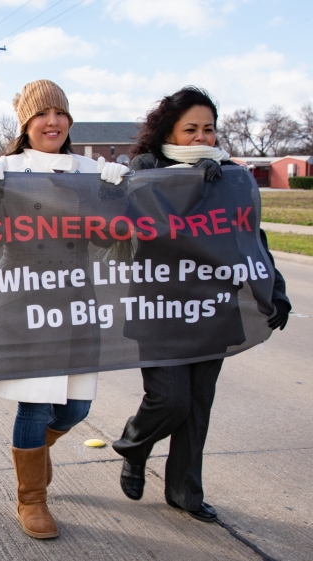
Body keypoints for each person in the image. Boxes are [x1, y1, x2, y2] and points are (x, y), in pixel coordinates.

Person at [111, 86, 292, 522]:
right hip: (161, 310)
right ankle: (134, 448)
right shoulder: (145, 169)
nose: (201, 138)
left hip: (213, 309)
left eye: (208, 129)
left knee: (197, 404)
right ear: (168, 130)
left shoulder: (230, 174)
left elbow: (252, 239)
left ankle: (185, 491)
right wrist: (186, 187)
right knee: (170, 400)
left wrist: (276, 287)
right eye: (189, 129)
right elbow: (131, 231)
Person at [0, 79, 129, 539]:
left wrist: (113, 193)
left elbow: (105, 236)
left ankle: (35, 453)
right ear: (26, 123)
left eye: (59, 113)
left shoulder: (87, 170)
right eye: (41, 114)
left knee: (77, 407)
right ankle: (31, 498)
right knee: (36, 403)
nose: (52, 122)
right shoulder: (7, 168)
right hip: (23, 302)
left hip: (74, 302)